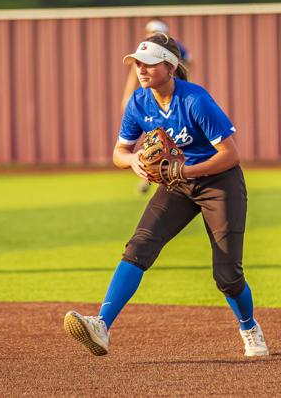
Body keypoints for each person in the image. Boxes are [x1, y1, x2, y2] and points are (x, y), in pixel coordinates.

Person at [63, 32, 268, 358]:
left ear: (170, 66)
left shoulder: (195, 100)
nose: (140, 70)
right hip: (177, 185)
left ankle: (249, 326)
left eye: (148, 64)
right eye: (137, 64)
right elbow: (120, 151)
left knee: (227, 275)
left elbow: (231, 155)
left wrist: (183, 171)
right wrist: (133, 162)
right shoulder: (138, 102)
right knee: (139, 246)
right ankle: (101, 325)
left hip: (220, 184)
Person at [121, 19, 192, 194]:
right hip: (151, 101)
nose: (150, 34)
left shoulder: (175, 48)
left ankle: (179, 170)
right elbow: (133, 74)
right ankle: (149, 176)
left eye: (154, 31)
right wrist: (127, 96)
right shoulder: (144, 49)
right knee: (155, 143)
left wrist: (185, 89)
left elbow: (188, 63)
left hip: (172, 100)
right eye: (149, 31)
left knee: (174, 141)